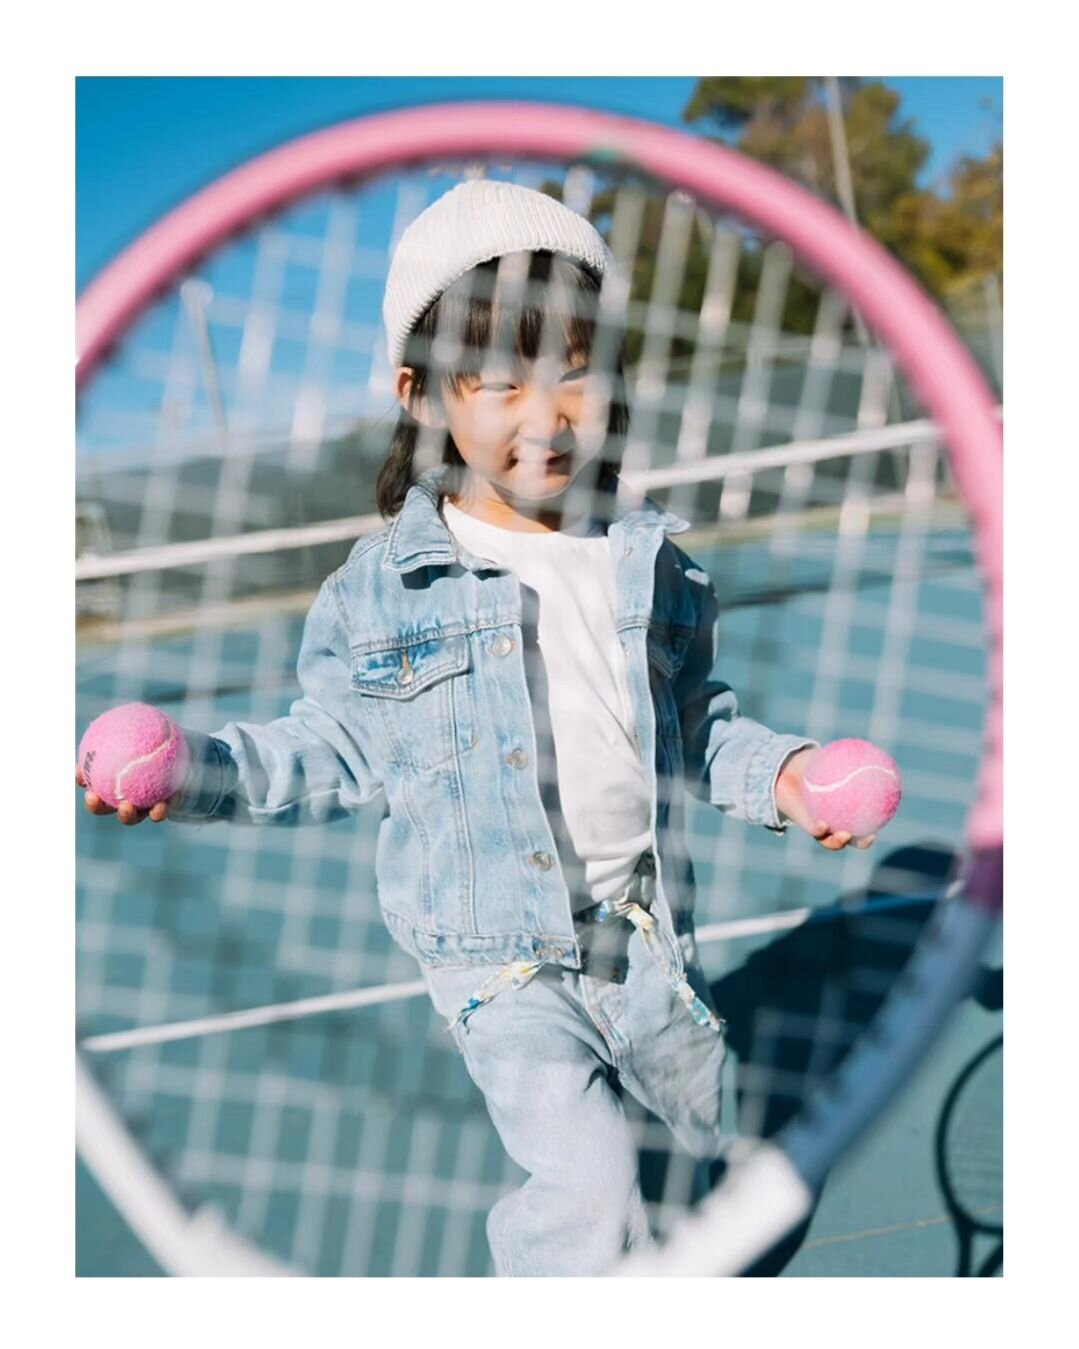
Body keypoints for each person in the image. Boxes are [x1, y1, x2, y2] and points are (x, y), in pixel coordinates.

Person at [77, 180, 875, 1277]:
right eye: (498, 380)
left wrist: (785, 774)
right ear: (423, 394)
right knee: (586, 1187)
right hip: (493, 960)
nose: (545, 415)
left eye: (574, 370)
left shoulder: (654, 562)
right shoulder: (380, 590)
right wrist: (196, 771)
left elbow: (697, 724)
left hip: (645, 934)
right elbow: (328, 745)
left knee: (697, 1147)